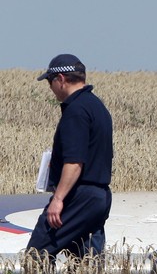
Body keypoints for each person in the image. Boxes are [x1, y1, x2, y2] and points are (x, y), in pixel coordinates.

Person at [27, 54, 113, 261]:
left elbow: (74, 162)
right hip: (99, 196)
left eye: (50, 81)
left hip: (79, 195)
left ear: (61, 79)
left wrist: (58, 199)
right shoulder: (96, 106)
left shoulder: (76, 111)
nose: (50, 87)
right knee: (87, 262)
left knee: (36, 255)